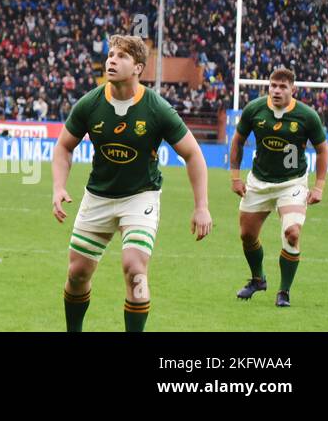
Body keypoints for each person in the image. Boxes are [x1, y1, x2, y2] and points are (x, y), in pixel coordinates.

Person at [52, 34, 211, 332]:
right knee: (77, 273)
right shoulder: (90, 103)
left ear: (138, 67)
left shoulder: (156, 108)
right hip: (98, 196)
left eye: (121, 56)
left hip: (141, 197)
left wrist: (201, 206)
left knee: (135, 271)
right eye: (111, 54)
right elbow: (63, 147)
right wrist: (59, 187)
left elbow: (193, 155)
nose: (112, 60)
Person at [229, 67, 328, 307]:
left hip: (292, 182)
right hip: (259, 181)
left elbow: (322, 149)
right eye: (273, 85)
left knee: (292, 233)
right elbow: (238, 141)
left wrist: (319, 186)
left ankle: (284, 291)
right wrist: (235, 177)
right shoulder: (255, 109)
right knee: (247, 235)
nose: (276, 90)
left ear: (293, 90)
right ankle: (257, 279)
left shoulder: (307, 116)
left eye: (282, 86)